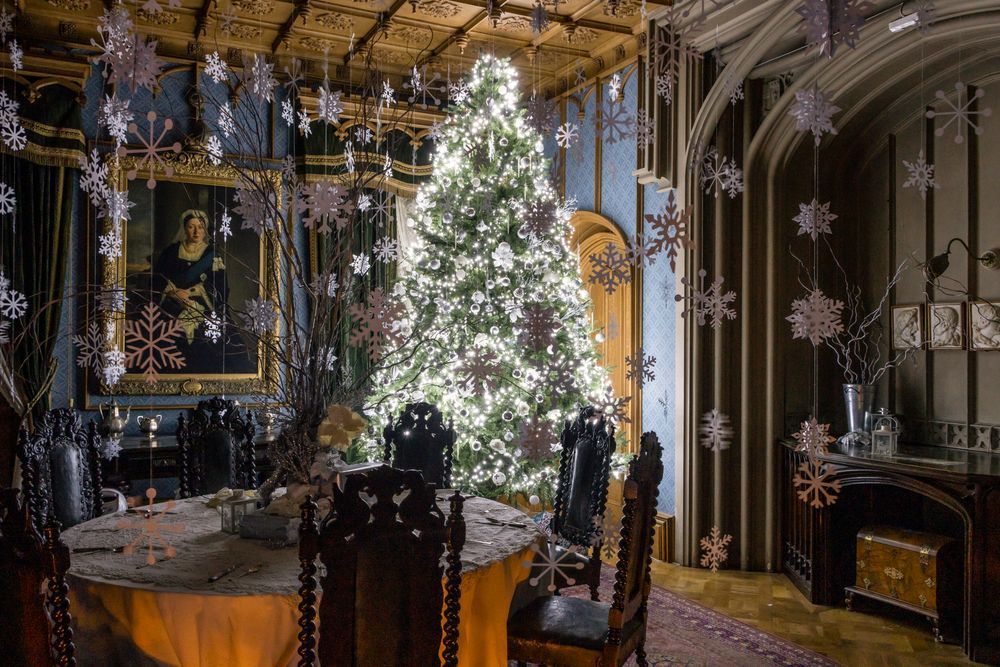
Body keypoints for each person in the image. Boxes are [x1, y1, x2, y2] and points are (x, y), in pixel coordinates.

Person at [152, 209, 254, 373]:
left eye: (200, 227)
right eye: (191, 227)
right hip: (171, 302)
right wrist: (173, 293)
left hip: (205, 304)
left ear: (205, 229)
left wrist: (191, 293)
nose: (196, 231)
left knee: (211, 336)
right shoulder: (170, 252)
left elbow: (220, 287)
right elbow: (157, 280)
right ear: (184, 228)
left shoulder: (211, 255)